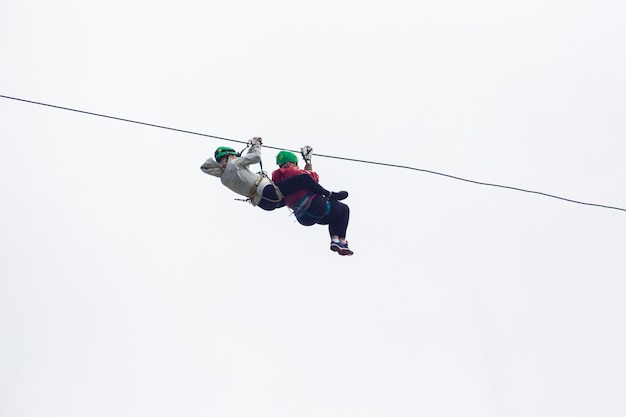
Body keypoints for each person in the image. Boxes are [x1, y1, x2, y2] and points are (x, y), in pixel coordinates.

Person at [200, 138, 342, 212]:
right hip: (269, 192)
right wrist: (257, 144)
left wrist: (252, 146)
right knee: (304, 180)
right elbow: (255, 157)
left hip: (264, 203)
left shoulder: (223, 178)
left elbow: (246, 164)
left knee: (298, 188)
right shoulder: (233, 164)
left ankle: (305, 207)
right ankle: (329, 194)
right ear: (230, 156)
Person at [272, 147, 353, 256]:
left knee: (335, 216)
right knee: (343, 209)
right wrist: (309, 169)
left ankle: (336, 241)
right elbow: (312, 179)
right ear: (291, 163)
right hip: (315, 205)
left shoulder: (277, 179)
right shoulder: (291, 171)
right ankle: (342, 240)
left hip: (304, 217)